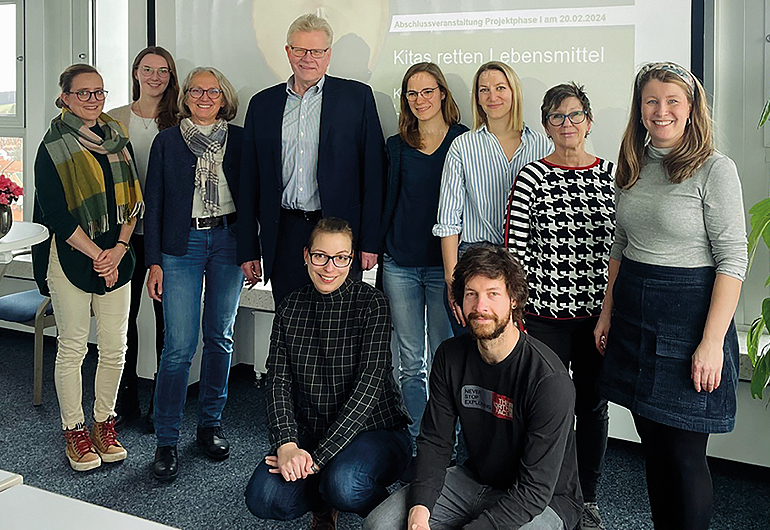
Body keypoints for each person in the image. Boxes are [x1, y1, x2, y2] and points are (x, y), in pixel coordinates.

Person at [594, 62, 747, 530]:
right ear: (639, 109)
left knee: (683, 455)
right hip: (636, 313)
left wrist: (710, 343)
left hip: (690, 320)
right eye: (651, 101)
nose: (661, 111)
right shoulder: (634, 164)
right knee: (653, 446)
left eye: (672, 101)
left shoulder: (714, 169)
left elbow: (733, 260)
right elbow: (620, 243)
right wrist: (606, 313)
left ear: (691, 108)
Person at [364, 245, 582, 530]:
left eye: (493, 294)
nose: (480, 307)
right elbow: (436, 442)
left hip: (544, 500)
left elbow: (535, 489)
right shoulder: (450, 356)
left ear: (513, 300)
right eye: (471, 294)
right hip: (474, 481)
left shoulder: (548, 380)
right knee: (380, 525)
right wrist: (420, 510)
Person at [244, 217, 411, 529]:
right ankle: (324, 503)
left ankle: (395, 514)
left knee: (344, 484)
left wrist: (317, 458)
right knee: (263, 498)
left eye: (340, 258)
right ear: (306, 255)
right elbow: (278, 382)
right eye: (320, 256)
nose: (329, 268)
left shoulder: (371, 303)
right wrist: (287, 445)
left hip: (375, 430)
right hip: (313, 429)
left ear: (351, 259)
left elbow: (368, 389)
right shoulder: (291, 307)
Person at [503, 82, 614, 530]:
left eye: (574, 115)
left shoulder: (613, 176)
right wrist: (517, 315)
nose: (566, 124)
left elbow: (619, 253)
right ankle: (548, 493)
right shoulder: (531, 176)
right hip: (542, 319)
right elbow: (515, 253)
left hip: (596, 320)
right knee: (547, 409)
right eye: (556, 117)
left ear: (588, 121)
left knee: (591, 407)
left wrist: (609, 312)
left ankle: (586, 496)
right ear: (546, 126)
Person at [32, 63, 143, 471]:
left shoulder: (117, 139)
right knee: (74, 347)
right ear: (65, 97)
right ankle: (74, 430)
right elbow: (57, 216)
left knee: (115, 347)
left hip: (117, 254)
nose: (93, 100)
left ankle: (103, 423)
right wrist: (97, 254)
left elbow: (133, 201)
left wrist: (117, 249)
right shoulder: (52, 146)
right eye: (83, 93)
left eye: (98, 92)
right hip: (72, 256)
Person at [237, 12, 386, 307]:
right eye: (300, 50)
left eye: (317, 51)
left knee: (339, 326)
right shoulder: (262, 105)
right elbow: (249, 182)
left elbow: (374, 175)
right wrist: (248, 249)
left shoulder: (357, 99)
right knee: (290, 324)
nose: (308, 58)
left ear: (328, 55)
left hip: (339, 233)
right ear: (288, 52)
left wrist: (369, 243)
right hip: (284, 233)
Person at [144, 66, 244, 482]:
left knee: (220, 337)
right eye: (197, 91)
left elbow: (254, 196)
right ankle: (166, 440)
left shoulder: (238, 141)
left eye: (213, 91)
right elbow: (153, 204)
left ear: (224, 98)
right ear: (185, 97)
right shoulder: (167, 141)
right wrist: (153, 261)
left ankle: (209, 425)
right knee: (179, 348)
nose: (205, 97)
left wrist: (253, 252)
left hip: (228, 241)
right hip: (179, 246)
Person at [380, 62, 468, 449]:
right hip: (400, 263)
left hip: (445, 268)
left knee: (444, 359)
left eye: (427, 92)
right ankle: (420, 441)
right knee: (410, 359)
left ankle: (447, 438)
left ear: (443, 94)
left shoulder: (464, 140)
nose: (420, 100)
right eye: (412, 94)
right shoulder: (396, 145)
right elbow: (388, 201)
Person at [432, 61, 551, 333]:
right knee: (474, 355)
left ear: (514, 91)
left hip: (525, 261)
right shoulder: (463, 146)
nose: (492, 96)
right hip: (474, 260)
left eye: (500, 88)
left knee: (516, 355)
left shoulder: (543, 145)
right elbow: (448, 221)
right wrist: (453, 281)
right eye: (484, 90)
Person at [107, 45, 180, 428]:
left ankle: (162, 404)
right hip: (125, 234)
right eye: (148, 69)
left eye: (163, 71)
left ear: (171, 77)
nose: (155, 77)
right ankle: (126, 400)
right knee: (125, 319)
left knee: (167, 322)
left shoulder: (180, 121)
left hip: (166, 236)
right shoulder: (113, 119)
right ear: (135, 72)